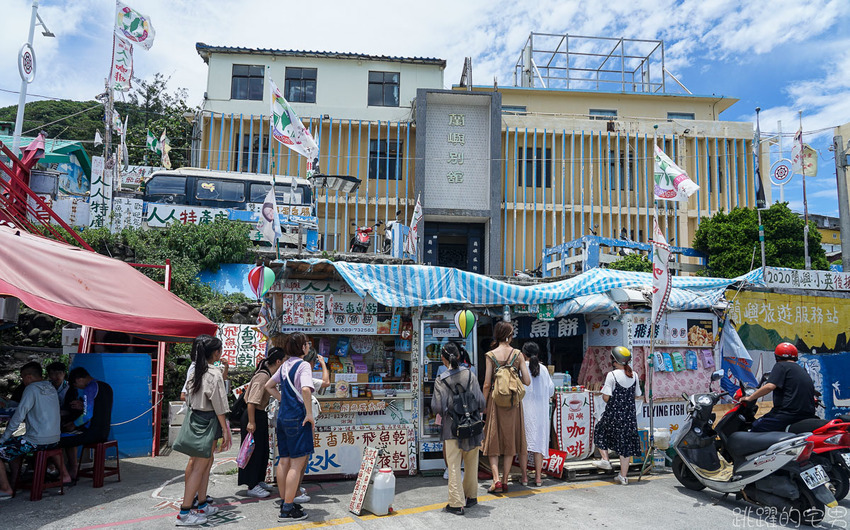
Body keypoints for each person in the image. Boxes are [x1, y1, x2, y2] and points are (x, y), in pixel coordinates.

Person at [176, 334, 230, 526]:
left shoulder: (194, 370)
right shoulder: (213, 373)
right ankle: (184, 511)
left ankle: (200, 503)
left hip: (196, 419)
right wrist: (225, 430)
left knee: (203, 465)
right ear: (215, 353)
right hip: (209, 421)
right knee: (200, 466)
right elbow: (220, 405)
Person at [264, 332, 315, 522]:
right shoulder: (303, 366)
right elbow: (305, 389)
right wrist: (309, 414)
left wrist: (283, 399)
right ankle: (287, 509)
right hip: (297, 418)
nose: (308, 346)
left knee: (283, 460)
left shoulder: (284, 365)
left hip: (283, 417)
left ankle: (286, 501)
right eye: (307, 344)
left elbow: (269, 385)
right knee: (296, 463)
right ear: (302, 347)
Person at [431, 342, 485, 515]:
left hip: (452, 426)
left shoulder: (441, 380)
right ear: (460, 357)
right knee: (471, 461)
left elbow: (437, 407)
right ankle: (471, 496)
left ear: (443, 359)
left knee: (454, 465)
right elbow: (481, 402)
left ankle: (456, 503)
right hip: (472, 424)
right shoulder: (470, 375)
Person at [481, 320, 532, 494]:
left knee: (493, 439)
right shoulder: (517, 354)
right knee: (510, 442)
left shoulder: (490, 355)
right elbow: (527, 381)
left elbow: (487, 384)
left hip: (495, 402)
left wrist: (483, 404)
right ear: (509, 336)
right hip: (513, 404)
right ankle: (505, 480)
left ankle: (495, 480)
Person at [0, 362, 62, 499]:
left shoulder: (31, 389)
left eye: (22, 378)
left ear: (28, 377)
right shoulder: (50, 387)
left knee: (4, 446)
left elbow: (18, 417)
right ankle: (14, 482)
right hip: (55, 439)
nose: (22, 381)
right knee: (14, 446)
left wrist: (3, 438)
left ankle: (6, 489)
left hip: (36, 441)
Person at [239, 347, 286, 499]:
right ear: (278, 361)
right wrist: (251, 422)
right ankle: (251, 485)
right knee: (253, 451)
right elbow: (251, 401)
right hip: (253, 416)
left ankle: (258, 480)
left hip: (260, 414)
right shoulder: (263, 376)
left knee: (263, 450)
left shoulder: (268, 375)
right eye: (284, 361)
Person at [592, 346, 642, 485]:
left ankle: (605, 460)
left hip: (614, 414)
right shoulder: (635, 375)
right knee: (625, 445)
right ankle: (623, 477)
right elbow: (637, 394)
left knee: (600, 431)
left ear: (614, 360)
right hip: (629, 416)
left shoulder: (611, 375)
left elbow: (606, 397)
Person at [741, 342, 816, 432]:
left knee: (756, 427)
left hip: (788, 414)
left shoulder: (781, 366)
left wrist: (750, 398)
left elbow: (769, 386)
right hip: (807, 414)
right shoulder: (800, 369)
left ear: (777, 356)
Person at [59, 367, 114, 484]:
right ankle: (72, 471)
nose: (78, 388)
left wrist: (73, 424)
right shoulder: (106, 386)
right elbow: (98, 409)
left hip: (93, 433)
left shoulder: (89, 388)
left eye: (75, 385)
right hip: (104, 431)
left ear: (79, 379)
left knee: (59, 440)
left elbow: (87, 415)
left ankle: (64, 474)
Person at [436, 342, 476, 480]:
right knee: (464, 440)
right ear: (459, 355)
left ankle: (449, 469)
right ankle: (461, 470)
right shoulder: (470, 371)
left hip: (447, 413)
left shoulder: (441, 370)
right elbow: (477, 397)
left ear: (442, 357)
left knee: (447, 442)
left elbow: (437, 402)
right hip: (466, 412)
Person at [519, 342, 555, 487]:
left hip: (524, 411)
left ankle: (524, 477)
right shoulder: (544, 370)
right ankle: (538, 478)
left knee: (524, 445)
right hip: (540, 413)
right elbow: (551, 390)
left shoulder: (521, 369)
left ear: (523, 354)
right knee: (539, 443)